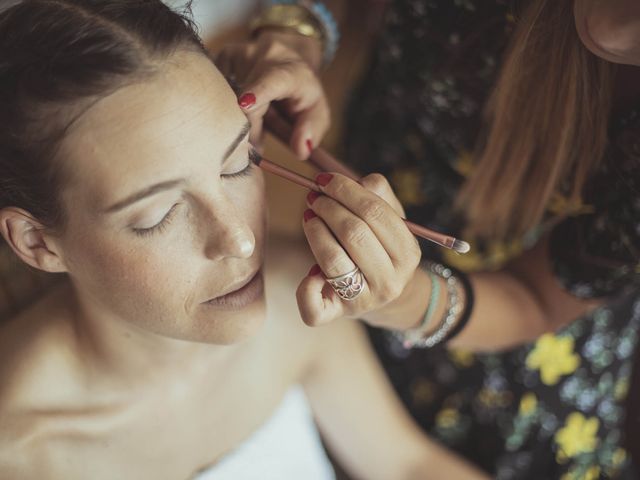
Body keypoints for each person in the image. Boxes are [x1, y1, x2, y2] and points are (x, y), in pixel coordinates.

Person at [0, 1, 493, 479]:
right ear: (37, 242)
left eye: (239, 164)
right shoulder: (18, 452)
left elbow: (408, 466)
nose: (238, 241)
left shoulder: (295, 298)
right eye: (157, 215)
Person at [221, 0, 640, 477]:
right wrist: (296, 29)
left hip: (513, 363)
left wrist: (409, 302)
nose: (611, 32)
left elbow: (537, 298)